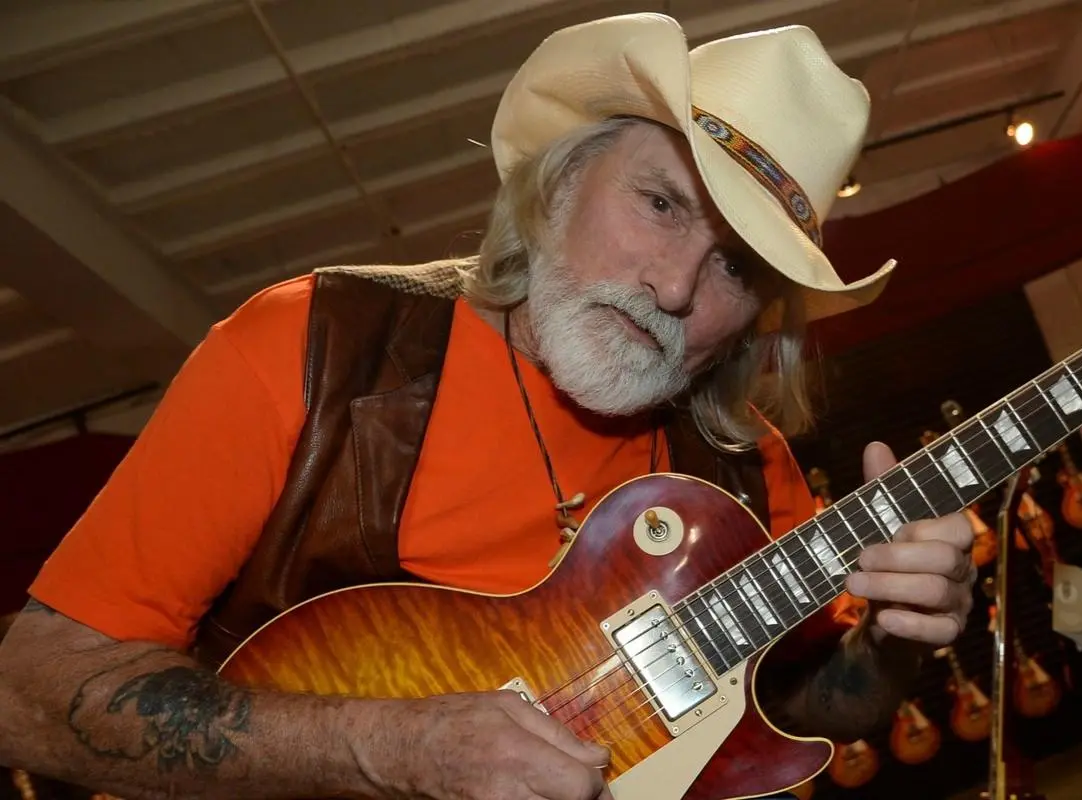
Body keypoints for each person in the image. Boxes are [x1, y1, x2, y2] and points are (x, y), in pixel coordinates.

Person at [0, 12, 976, 800]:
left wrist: (894, 637)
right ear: (562, 180)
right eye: (661, 204)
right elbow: (30, 696)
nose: (675, 286)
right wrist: (391, 748)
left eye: (735, 267)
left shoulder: (743, 473)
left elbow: (805, 711)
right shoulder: (315, 351)